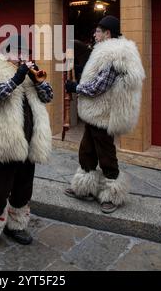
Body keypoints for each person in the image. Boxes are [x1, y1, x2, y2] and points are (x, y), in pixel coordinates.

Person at [0, 35, 53, 254]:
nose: (21, 56)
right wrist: (16, 78)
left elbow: (48, 97)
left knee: (23, 187)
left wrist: (39, 82)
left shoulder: (31, 72)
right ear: (5, 52)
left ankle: (15, 225)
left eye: (24, 52)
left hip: (30, 142)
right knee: (0, 189)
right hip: (4, 143)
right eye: (16, 52)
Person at [65, 16, 145, 214]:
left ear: (108, 33)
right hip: (96, 113)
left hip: (103, 113)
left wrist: (77, 87)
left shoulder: (114, 53)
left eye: (98, 31)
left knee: (105, 153)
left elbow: (99, 86)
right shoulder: (105, 52)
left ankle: (112, 193)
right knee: (87, 151)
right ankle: (86, 187)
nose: (95, 34)